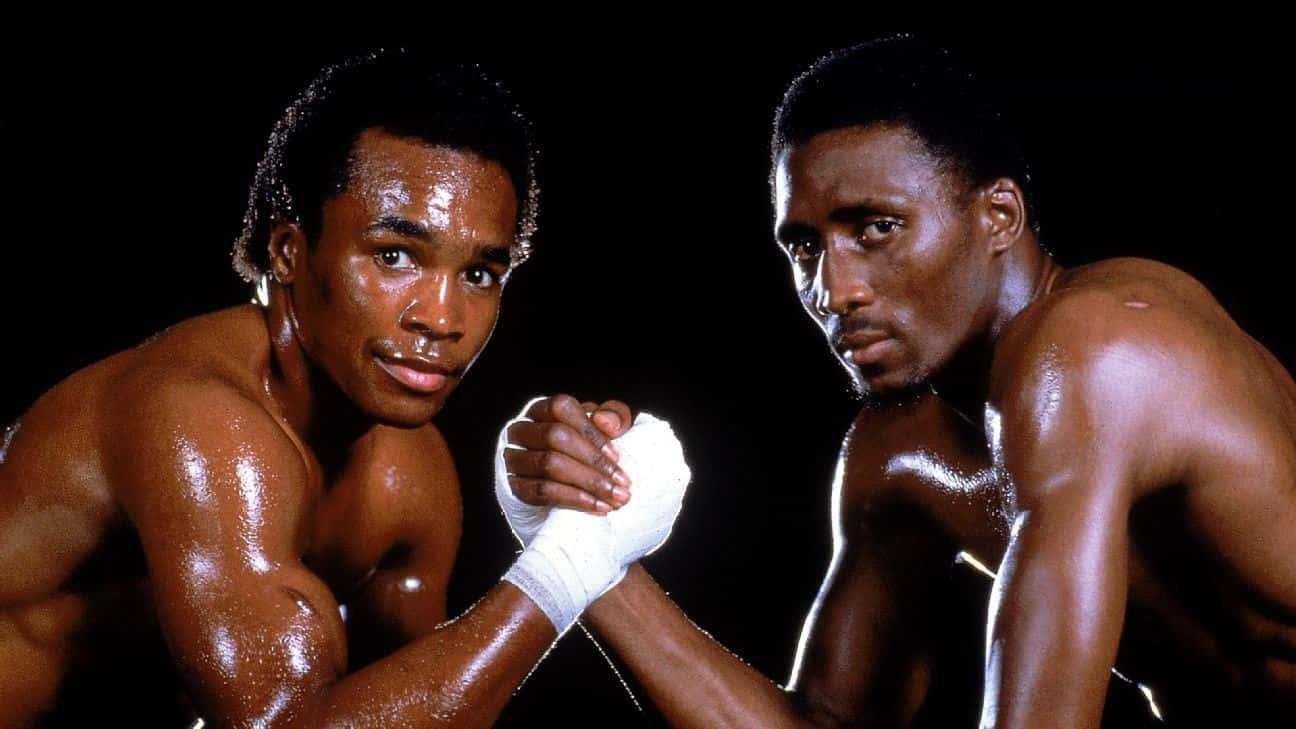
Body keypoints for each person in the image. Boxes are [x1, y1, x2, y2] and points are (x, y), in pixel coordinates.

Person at [500, 37, 1296, 727]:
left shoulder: (1092, 348)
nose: (833, 290)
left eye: (876, 227)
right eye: (805, 247)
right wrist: (580, 553)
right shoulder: (901, 451)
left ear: (999, 217)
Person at [0, 49, 689, 728]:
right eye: (395, 255)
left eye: (479, 273)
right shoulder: (199, 419)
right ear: (289, 252)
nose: (441, 318)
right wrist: (569, 563)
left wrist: (586, 509)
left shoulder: (411, 475)